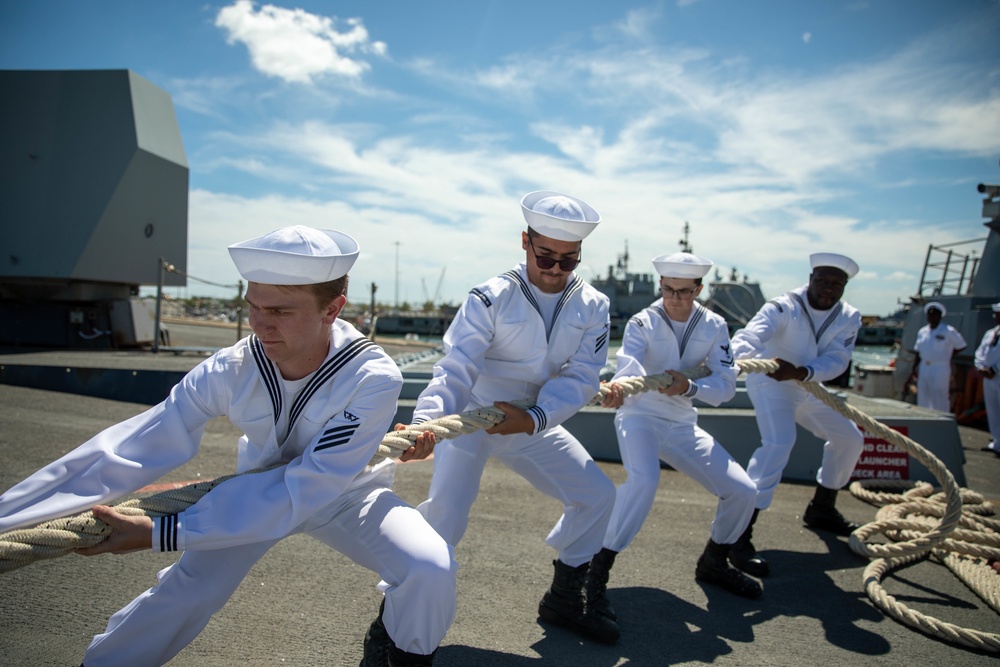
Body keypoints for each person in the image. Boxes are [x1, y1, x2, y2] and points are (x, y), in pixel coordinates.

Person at [0, 226, 457, 667]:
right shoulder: (233, 367)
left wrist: (164, 532)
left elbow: (313, 483)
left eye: (280, 312)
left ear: (332, 309)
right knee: (189, 592)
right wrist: (10, 517)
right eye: (253, 306)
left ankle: (399, 657)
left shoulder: (371, 378)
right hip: (252, 491)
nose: (260, 325)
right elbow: (137, 442)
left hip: (346, 494)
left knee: (430, 567)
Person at [378, 190, 620, 645]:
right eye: (545, 256)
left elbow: (584, 375)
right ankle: (390, 628)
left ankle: (565, 596)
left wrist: (534, 417)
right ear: (525, 241)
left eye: (568, 261)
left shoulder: (594, 306)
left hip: (532, 420)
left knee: (597, 495)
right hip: (472, 418)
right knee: (444, 523)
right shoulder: (491, 298)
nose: (554, 270)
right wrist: (426, 424)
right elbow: (454, 369)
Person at [593, 252, 762, 601]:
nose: (674, 299)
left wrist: (688, 387)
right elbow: (630, 366)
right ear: (661, 286)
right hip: (640, 416)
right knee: (644, 480)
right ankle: (596, 570)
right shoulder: (642, 321)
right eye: (668, 289)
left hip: (683, 422)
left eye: (684, 292)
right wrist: (622, 389)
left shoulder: (714, 325)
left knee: (744, 490)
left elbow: (725, 386)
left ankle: (714, 561)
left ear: (698, 289)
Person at [729, 253, 865, 577]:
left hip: (807, 383)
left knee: (850, 438)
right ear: (811, 277)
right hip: (772, 381)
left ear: (844, 286)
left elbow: (839, 359)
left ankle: (822, 508)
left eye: (837, 284)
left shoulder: (849, 316)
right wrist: (730, 363)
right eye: (823, 281)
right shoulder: (784, 306)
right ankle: (738, 535)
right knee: (779, 443)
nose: (828, 289)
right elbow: (751, 336)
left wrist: (804, 371)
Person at [913, 302, 967, 412]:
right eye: (930, 315)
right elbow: (918, 351)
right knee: (923, 396)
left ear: (940, 316)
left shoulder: (948, 331)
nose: (932, 317)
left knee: (939, 396)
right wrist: (914, 368)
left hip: (940, 367)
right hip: (924, 366)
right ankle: (924, 420)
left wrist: (948, 355)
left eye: (934, 315)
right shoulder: (923, 332)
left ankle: (941, 420)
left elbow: (961, 345)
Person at [975, 302, 1000, 455]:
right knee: (993, 409)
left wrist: (994, 369)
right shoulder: (991, 333)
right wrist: (981, 367)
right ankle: (996, 442)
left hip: (997, 375)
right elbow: (980, 352)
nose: (996, 316)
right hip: (989, 377)